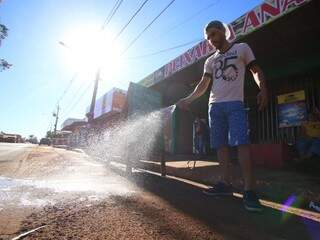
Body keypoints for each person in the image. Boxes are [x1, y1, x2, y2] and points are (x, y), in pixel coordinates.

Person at [177, 20, 268, 212]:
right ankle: (225, 185)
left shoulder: (242, 48)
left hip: (235, 104)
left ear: (223, 31)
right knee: (220, 146)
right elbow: (203, 85)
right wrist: (188, 99)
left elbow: (255, 71)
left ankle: (249, 190)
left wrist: (263, 89)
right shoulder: (210, 61)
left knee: (241, 144)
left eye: (214, 34)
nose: (211, 39)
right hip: (214, 106)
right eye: (208, 37)